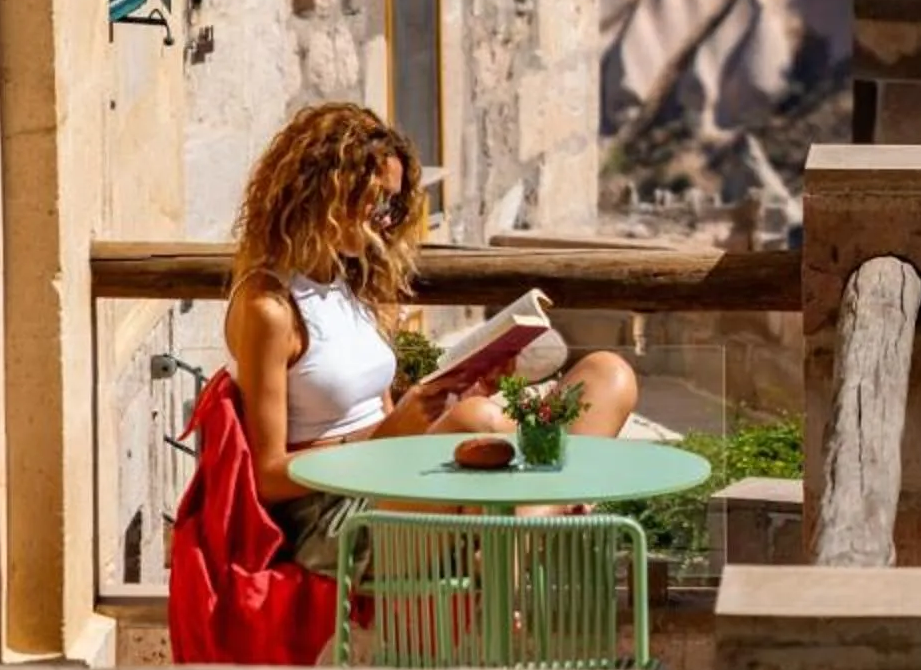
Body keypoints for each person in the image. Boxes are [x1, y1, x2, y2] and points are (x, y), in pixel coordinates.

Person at [224, 102, 637, 561]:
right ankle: (544, 531)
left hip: (392, 473)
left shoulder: (352, 284)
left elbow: (387, 420)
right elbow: (268, 476)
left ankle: (531, 530)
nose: (386, 217)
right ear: (329, 189)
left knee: (607, 375)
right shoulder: (271, 307)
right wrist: (387, 437)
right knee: (478, 421)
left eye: (394, 203)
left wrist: (461, 389)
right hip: (336, 512)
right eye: (378, 199)